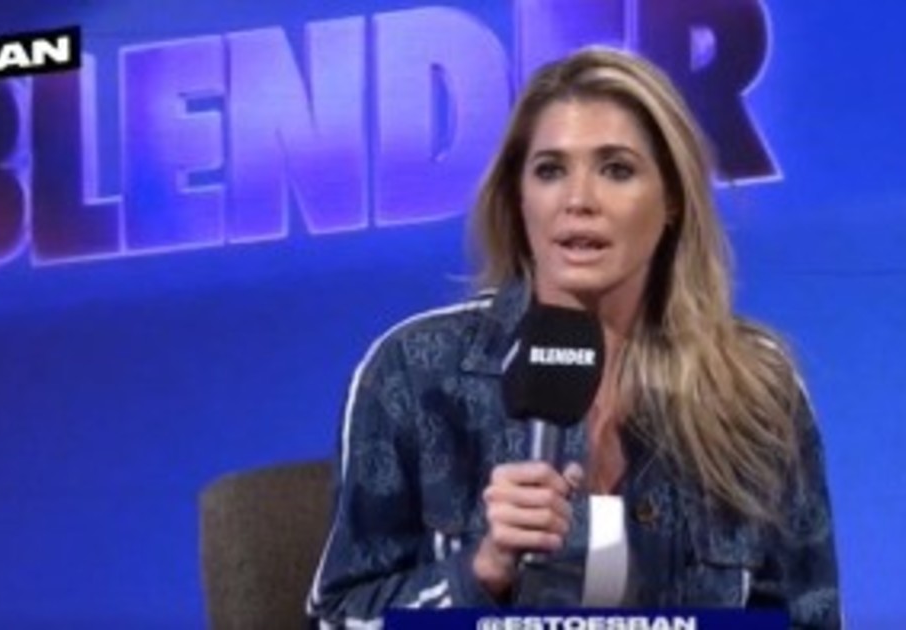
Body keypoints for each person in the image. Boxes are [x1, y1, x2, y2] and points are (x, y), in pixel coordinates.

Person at [307, 47, 842, 628]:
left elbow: (808, 616)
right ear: (518, 197)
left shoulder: (756, 388)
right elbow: (336, 619)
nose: (578, 201)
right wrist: (483, 570)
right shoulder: (416, 374)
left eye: (616, 169)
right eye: (550, 170)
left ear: (672, 200)